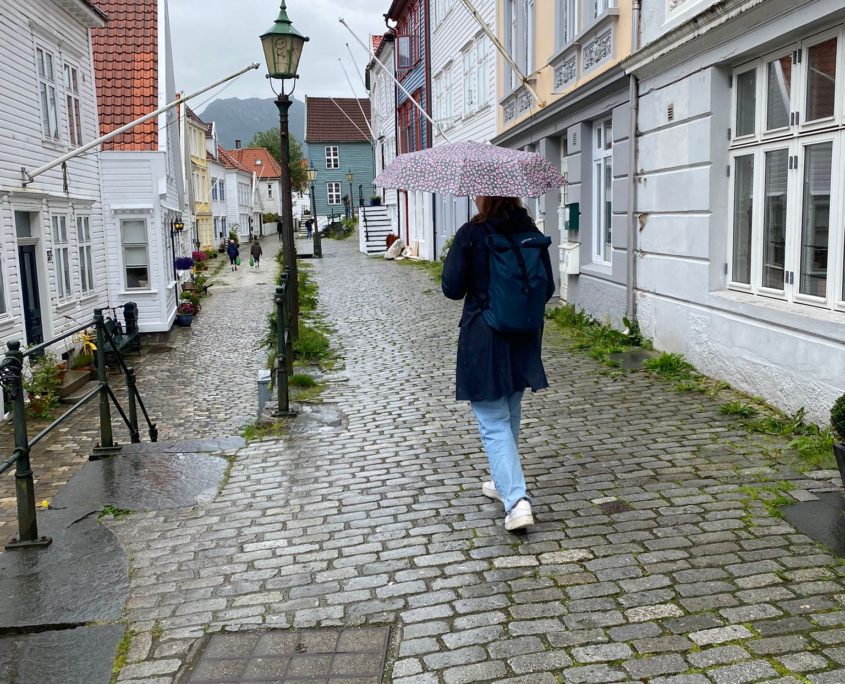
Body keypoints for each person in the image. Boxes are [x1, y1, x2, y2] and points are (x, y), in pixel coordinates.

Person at [441, 196, 554, 532]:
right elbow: (547, 287)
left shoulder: (472, 234)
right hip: (524, 334)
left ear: (483, 196)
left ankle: (517, 501)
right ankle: (502, 481)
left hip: (485, 335)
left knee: (492, 420)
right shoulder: (529, 230)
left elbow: (451, 288)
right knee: (509, 411)